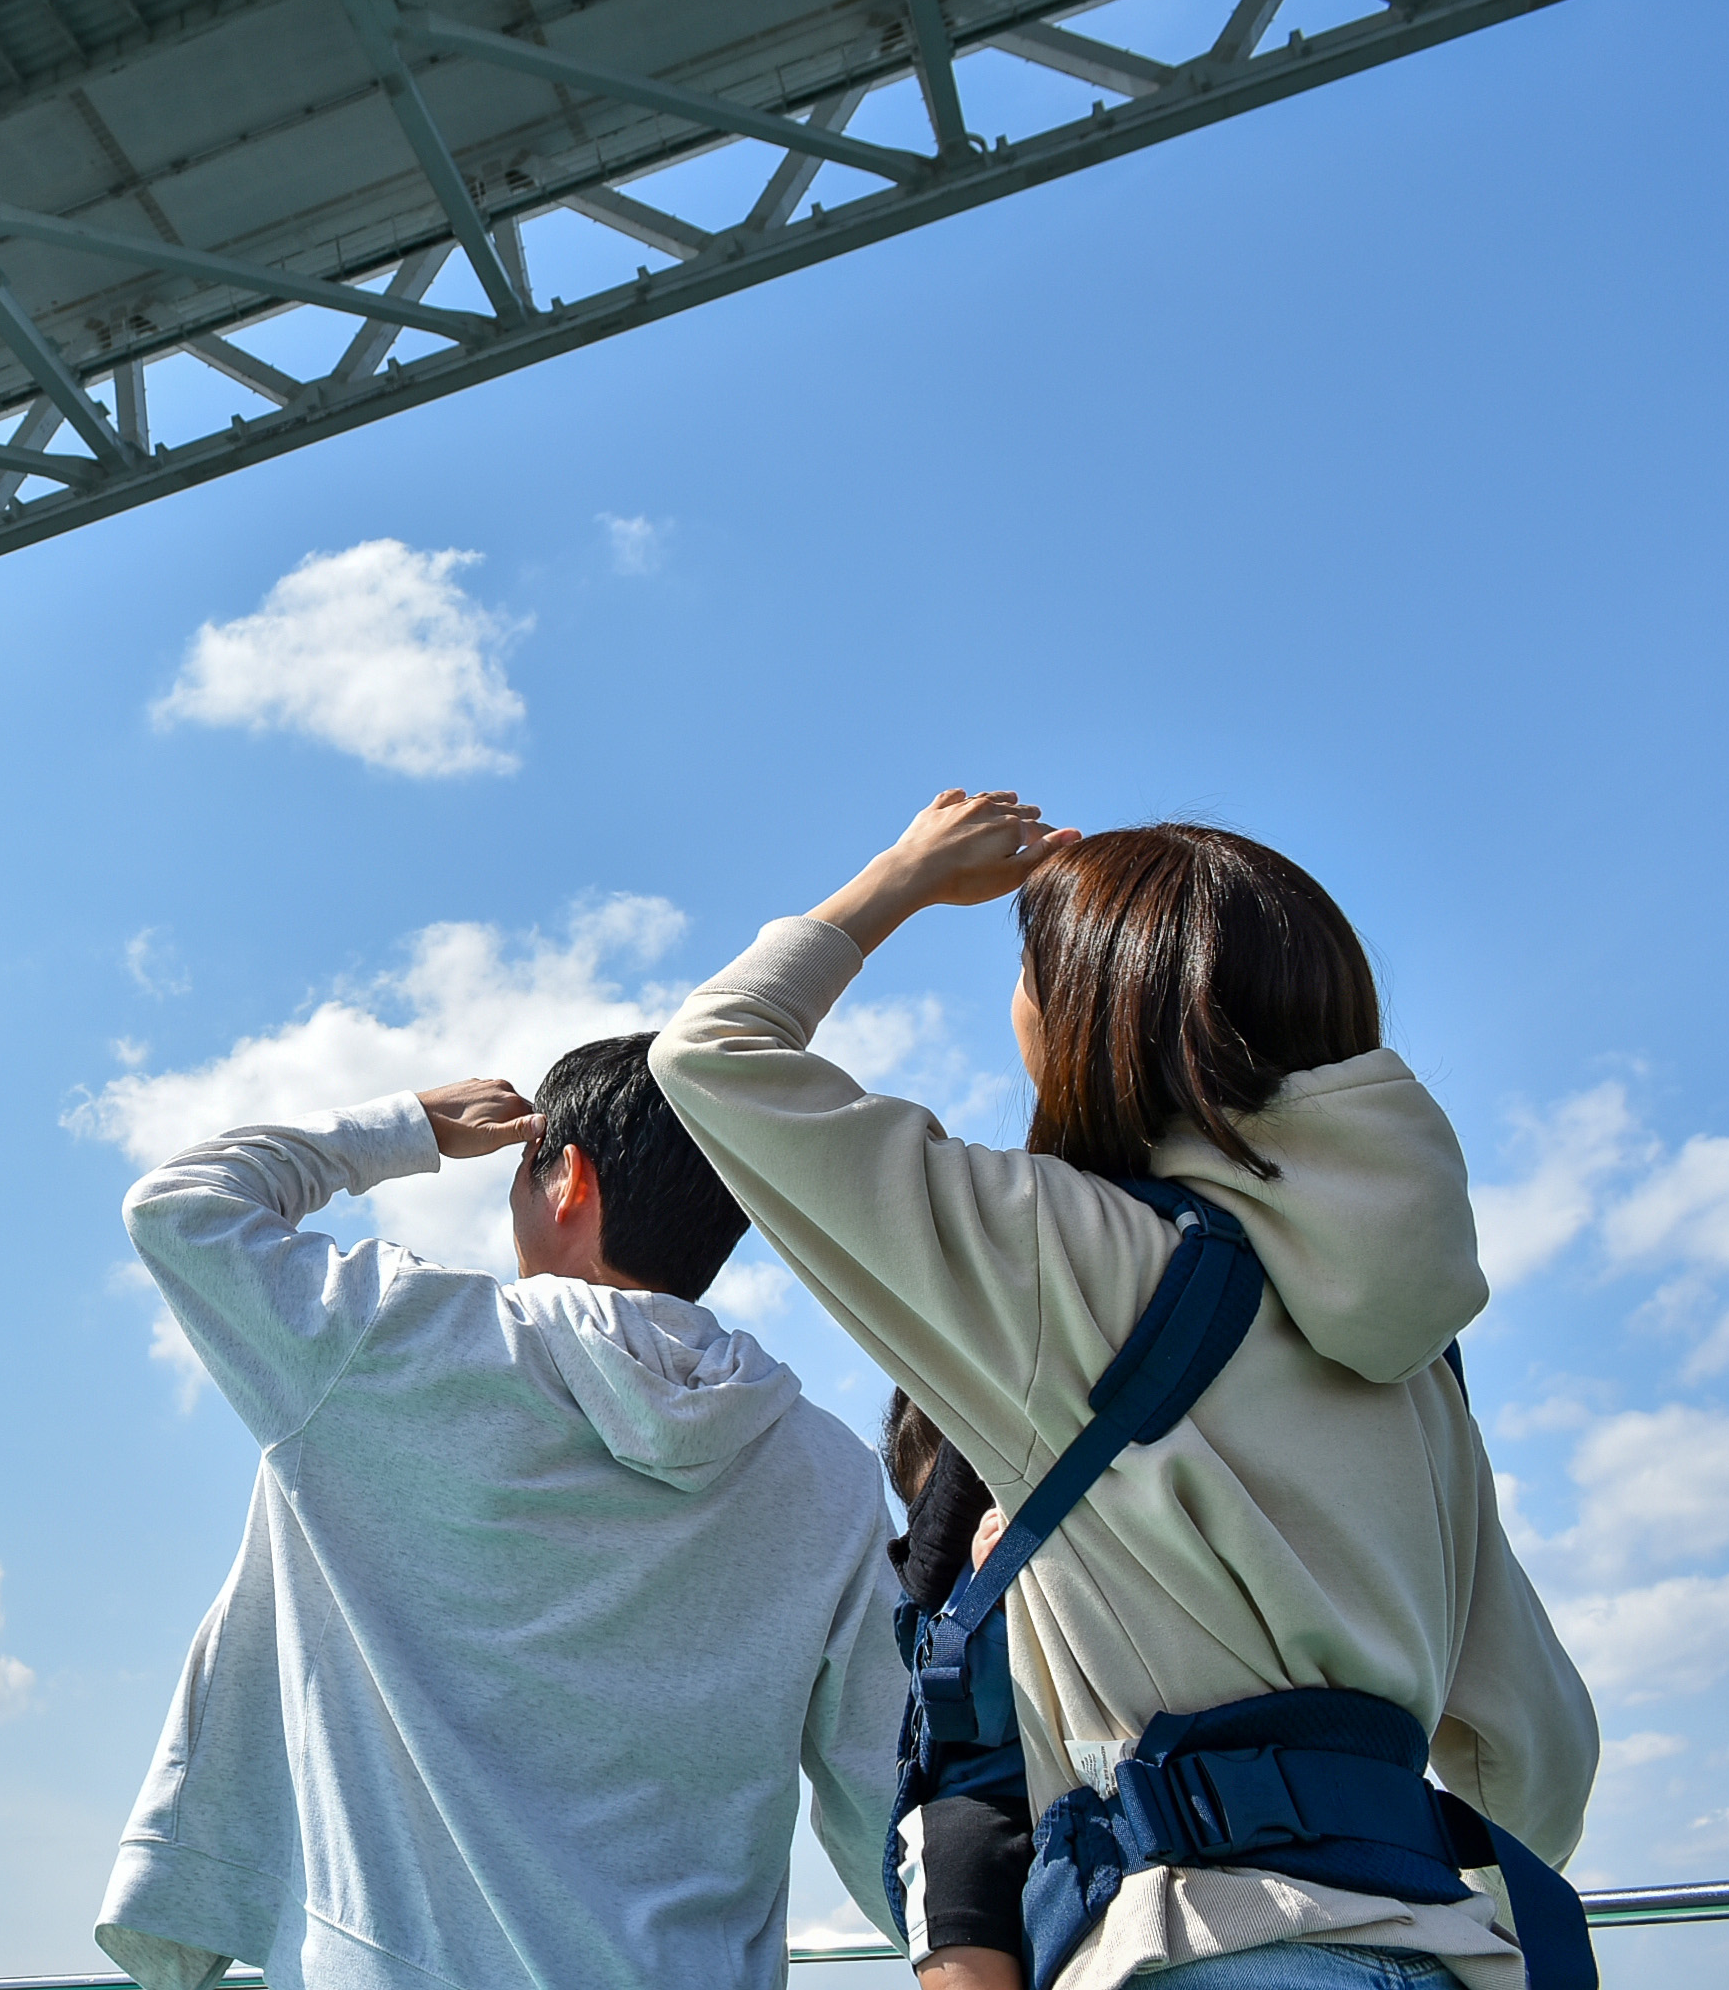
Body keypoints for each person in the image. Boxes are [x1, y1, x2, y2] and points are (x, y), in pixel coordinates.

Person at [649, 793, 1599, 1990]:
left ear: (1093, 1004)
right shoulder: (1416, 1352)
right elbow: (1537, 1740)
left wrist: (898, 875)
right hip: (1449, 1953)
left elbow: (713, 1053)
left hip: (1210, 1942)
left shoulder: (1062, 1257)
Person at [94, 1034, 907, 1990]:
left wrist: (407, 1130)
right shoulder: (831, 1471)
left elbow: (182, 1206)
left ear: (567, 1180)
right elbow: (881, 1792)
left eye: (524, 1172)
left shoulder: (396, 1344)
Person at [879, 1394, 1030, 1990]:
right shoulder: (946, 1597)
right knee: (950, 1852)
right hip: (991, 1795)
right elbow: (976, 1712)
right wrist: (987, 1587)